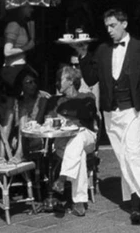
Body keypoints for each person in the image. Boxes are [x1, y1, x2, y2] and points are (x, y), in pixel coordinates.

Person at [72, 8, 140, 225]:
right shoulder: (102, 50)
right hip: (111, 111)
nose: (109, 30)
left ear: (124, 23)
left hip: (132, 109)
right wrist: (83, 54)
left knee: (134, 152)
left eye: (113, 25)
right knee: (122, 157)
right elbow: (92, 79)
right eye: (107, 27)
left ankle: (137, 206)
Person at [50, 65, 98, 217]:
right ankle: (79, 202)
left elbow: (89, 115)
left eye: (61, 79)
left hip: (87, 137)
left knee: (78, 136)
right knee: (79, 154)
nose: (58, 83)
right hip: (64, 142)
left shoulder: (87, 97)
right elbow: (50, 121)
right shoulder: (56, 101)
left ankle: (62, 178)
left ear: (71, 81)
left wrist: (68, 119)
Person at [1, 4, 37, 93]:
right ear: (21, 8)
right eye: (29, 7)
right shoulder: (13, 25)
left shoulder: (22, 25)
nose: (32, 10)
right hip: (13, 69)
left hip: (20, 67)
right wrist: (27, 47)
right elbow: (7, 51)